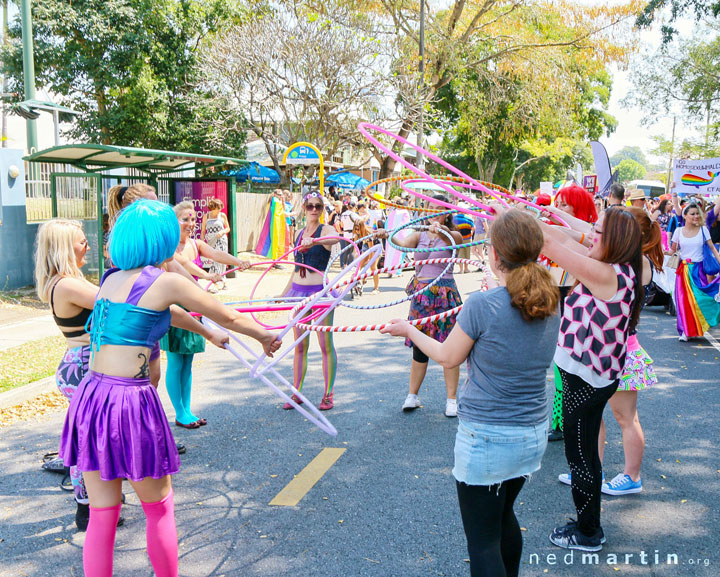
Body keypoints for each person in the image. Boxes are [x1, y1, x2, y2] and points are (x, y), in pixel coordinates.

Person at [58, 200, 280, 577]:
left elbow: (164, 311)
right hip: (128, 402)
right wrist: (263, 335)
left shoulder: (112, 279)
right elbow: (225, 312)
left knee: (102, 514)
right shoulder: (167, 281)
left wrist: (207, 333)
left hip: (92, 398)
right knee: (158, 508)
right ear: (163, 237)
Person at [380, 209, 560, 577]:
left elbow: (448, 356)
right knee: (503, 517)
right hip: (530, 435)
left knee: (482, 541)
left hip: (488, 439)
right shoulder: (550, 299)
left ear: (494, 254)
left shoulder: (484, 304)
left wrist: (409, 330)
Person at [539, 207, 643, 551]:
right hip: (592, 377)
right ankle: (588, 526)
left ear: (613, 240)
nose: (591, 236)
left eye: (598, 233)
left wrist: (507, 219)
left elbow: (550, 245)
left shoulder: (607, 274)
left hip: (587, 382)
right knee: (584, 454)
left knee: (580, 456)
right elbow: (561, 235)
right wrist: (526, 215)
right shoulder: (614, 267)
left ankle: (587, 533)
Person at [162, 201, 252, 428]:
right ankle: (180, 412)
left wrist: (239, 261)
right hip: (176, 308)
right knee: (175, 359)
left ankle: (187, 410)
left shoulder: (196, 244)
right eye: (185, 219)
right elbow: (182, 264)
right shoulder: (169, 248)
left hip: (194, 306)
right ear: (174, 222)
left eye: (193, 219)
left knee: (188, 360)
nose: (190, 224)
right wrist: (207, 275)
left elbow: (216, 253)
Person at [377, 195, 463, 417]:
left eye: (439, 209)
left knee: (449, 346)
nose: (434, 212)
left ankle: (452, 400)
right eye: (431, 209)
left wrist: (439, 231)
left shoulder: (453, 234)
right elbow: (401, 243)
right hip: (421, 296)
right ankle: (412, 396)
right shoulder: (419, 235)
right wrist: (387, 235)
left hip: (444, 295)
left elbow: (455, 243)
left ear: (447, 213)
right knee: (419, 347)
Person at [544, 185, 597, 442]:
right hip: (561, 315)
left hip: (584, 323)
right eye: (559, 203)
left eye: (566, 205)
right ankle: (561, 422)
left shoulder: (591, 239)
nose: (561, 208)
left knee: (576, 376)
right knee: (560, 371)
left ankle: (571, 423)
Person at [278, 190, 340, 410]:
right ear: (304, 208)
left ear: (322, 209)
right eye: (310, 206)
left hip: (320, 294)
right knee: (300, 346)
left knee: (325, 345)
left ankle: (328, 394)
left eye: (318, 206)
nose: (314, 210)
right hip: (298, 293)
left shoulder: (326, 229)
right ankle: (296, 393)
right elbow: (296, 268)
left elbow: (335, 239)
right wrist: (284, 294)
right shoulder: (299, 232)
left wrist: (314, 242)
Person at [669, 202, 720, 341]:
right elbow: (672, 250)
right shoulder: (678, 232)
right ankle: (686, 330)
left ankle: (699, 325)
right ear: (685, 216)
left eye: (697, 213)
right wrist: (658, 251)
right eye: (692, 214)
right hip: (683, 271)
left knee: (700, 298)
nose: (696, 216)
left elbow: (713, 249)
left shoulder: (704, 230)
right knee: (684, 302)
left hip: (699, 270)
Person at [200, 198, 231, 291]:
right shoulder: (206, 216)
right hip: (211, 241)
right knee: (214, 260)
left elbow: (228, 228)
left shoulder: (222, 215)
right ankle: (221, 281)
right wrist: (202, 243)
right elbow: (203, 231)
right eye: (218, 208)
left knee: (220, 260)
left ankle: (218, 283)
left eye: (220, 208)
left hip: (221, 240)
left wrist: (222, 232)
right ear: (213, 208)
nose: (219, 210)